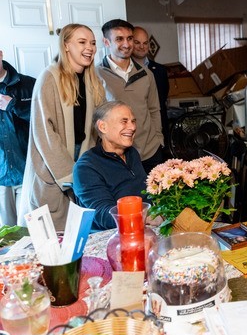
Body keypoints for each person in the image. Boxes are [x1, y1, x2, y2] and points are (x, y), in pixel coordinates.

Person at [19, 24, 105, 230]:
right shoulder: (49, 78)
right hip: (52, 163)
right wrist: (71, 174)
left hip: (83, 158)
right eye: (82, 42)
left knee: (80, 233)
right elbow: (44, 132)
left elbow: (99, 126)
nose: (90, 48)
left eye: (93, 43)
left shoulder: (94, 81)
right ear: (66, 46)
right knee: (53, 235)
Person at [97, 19, 164, 174]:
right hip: (116, 155)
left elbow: (154, 109)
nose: (127, 45)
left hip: (150, 152)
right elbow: (94, 117)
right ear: (106, 42)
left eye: (129, 39)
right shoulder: (95, 75)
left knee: (155, 197)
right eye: (119, 39)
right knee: (125, 198)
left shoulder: (147, 74)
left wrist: (159, 140)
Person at [73, 101, 147, 230]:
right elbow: (104, 215)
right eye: (124, 121)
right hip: (111, 234)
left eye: (133, 121)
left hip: (143, 225)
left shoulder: (132, 153)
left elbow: (146, 194)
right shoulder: (86, 167)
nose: (132, 127)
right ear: (103, 127)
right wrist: (146, 216)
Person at [0, 51, 35, 227]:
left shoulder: (29, 84)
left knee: (30, 233)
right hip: (1, 177)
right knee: (5, 236)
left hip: (28, 172)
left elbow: (44, 120)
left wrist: (13, 105)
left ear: (0, 55)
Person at [132, 26, 170, 153]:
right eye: (137, 42)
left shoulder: (160, 70)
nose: (142, 47)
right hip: (135, 131)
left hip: (157, 130)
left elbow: (162, 100)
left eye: (145, 43)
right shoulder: (124, 71)